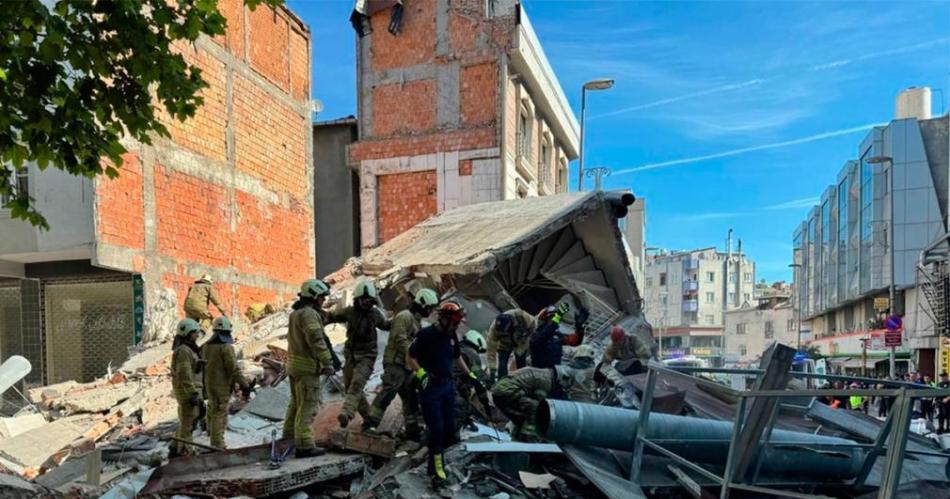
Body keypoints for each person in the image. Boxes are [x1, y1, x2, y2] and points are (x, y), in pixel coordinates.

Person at [407, 301, 475, 484]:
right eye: (454, 322)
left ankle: (434, 461)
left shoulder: (451, 334)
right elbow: (410, 356)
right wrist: (420, 373)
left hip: (448, 387)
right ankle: (436, 471)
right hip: (430, 388)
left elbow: (457, 356)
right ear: (443, 319)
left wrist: (471, 375)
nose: (456, 325)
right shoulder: (426, 335)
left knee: (449, 428)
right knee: (436, 430)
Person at [362, 288, 439, 438]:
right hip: (395, 364)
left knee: (410, 399)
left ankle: (412, 431)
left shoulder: (415, 321)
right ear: (423, 305)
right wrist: (414, 354)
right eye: (429, 308)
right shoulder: (405, 316)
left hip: (405, 366)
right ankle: (369, 426)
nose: (430, 312)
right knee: (387, 394)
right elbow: (399, 339)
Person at [326, 280, 390, 429]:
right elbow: (331, 317)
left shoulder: (375, 314)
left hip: (367, 357)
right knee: (350, 388)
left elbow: (387, 325)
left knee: (357, 384)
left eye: (369, 301)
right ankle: (369, 419)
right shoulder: (349, 312)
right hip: (351, 356)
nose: (366, 304)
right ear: (357, 299)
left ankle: (347, 413)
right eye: (364, 300)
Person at [283, 279, 335, 458]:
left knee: (296, 405)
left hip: (293, 366)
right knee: (308, 406)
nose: (323, 300)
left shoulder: (295, 314)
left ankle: (288, 439)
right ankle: (304, 445)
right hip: (307, 369)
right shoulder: (309, 314)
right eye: (321, 297)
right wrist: (327, 362)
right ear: (313, 296)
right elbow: (316, 340)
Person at [491, 364, 580, 441]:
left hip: (499, 391)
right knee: (535, 409)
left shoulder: (544, 374)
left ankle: (516, 439)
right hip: (507, 391)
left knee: (521, 418)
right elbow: (538, 405)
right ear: (562, 377)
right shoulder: (547, 381)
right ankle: (529, 438)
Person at [201, 316, 250, 449]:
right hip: (221, 386)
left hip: (209, 384)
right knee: (220, 412)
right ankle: (217, 443)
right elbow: (233, 369)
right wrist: (244, 385)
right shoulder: (226, 348)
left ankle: (210, 433)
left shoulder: (206, 347)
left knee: (212, 408)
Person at [170, 318, 203, 457]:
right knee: (188, 423)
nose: (197, 335)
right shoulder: (184, 350)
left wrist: (198, 363)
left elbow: (189, 369)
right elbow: (184, 374)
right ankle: (187, 452)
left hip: (188, 390)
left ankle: (174, 448)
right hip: (187, 392)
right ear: (188, 333)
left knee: (186, 420)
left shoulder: (187, 349)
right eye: (195, 332)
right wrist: (192, 393)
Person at [454, 330, 492, 434]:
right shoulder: (472, 354)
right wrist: (485, 402)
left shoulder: (457, 347)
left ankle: (466, 420)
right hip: (455, 386)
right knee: (459, 409)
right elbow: (477, 380)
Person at [486, 308, 536, 381]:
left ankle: (523, 381)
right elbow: (491, 349)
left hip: (521, 341)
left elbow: (533, 326)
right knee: (502, 362)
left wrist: (526, 341)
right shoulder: (494, 330)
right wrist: (492, 371)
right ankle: (502, 383)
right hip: (505, 343)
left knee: (521, 361)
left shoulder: (521, 316)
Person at [529, 303, 573, 369]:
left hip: (554, 374)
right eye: (551, 319)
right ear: (544, 320)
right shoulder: (535, 335)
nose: (555, 321)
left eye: (555, 319)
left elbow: (574, 341)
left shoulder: (557, 335)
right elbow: (545, 335)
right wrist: (557, 317)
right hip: (539, 373)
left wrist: (580, 328)